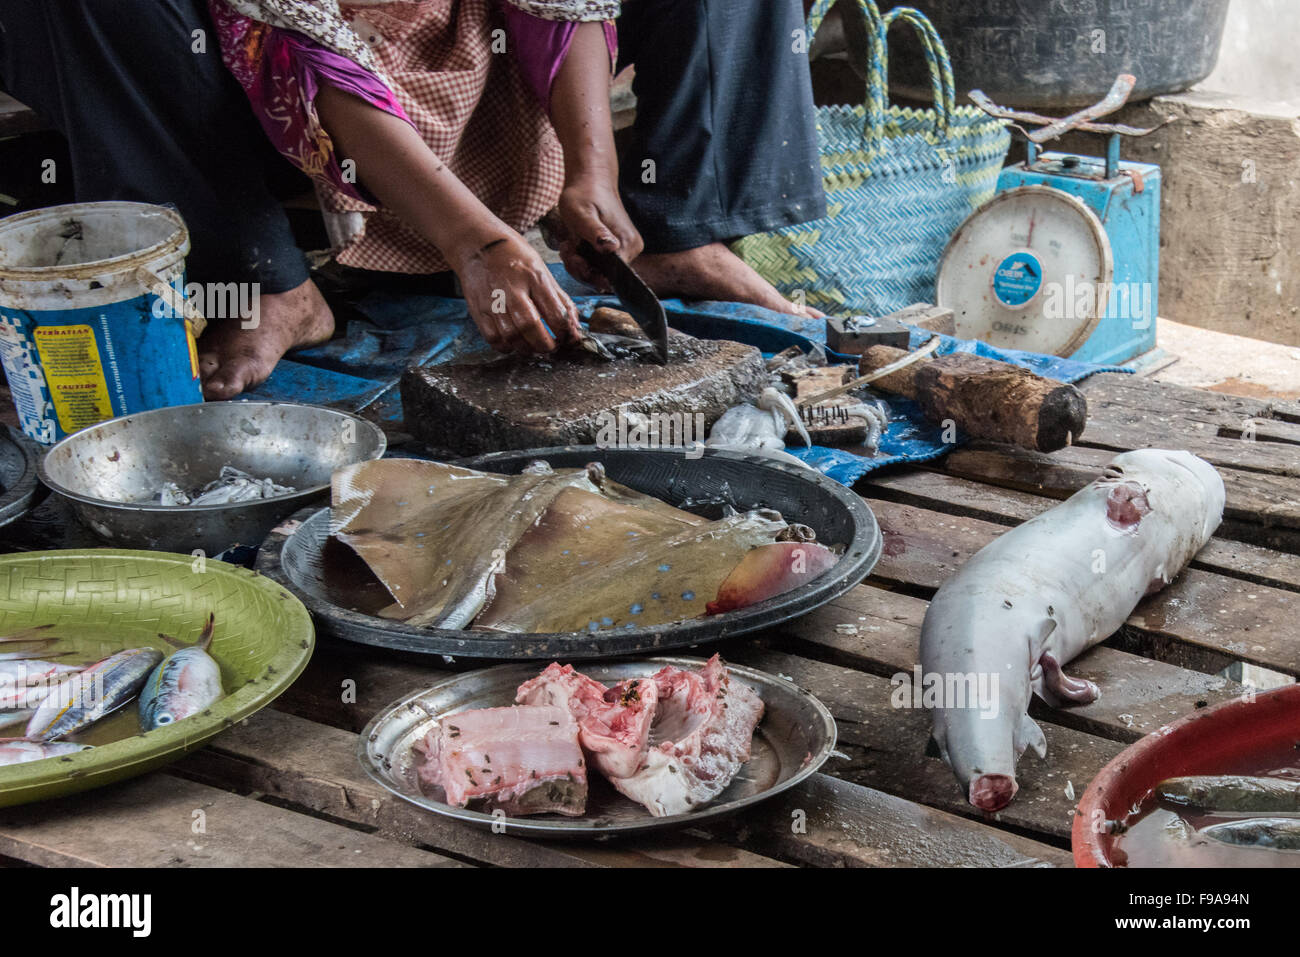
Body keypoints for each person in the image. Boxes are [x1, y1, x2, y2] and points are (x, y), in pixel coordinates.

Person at [0, 0, 825, 399]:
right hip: (247, 70)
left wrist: (593, 172)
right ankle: (265, 282)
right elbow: (303, 39)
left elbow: (564, 5)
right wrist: (474, 243)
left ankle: (678, 230)